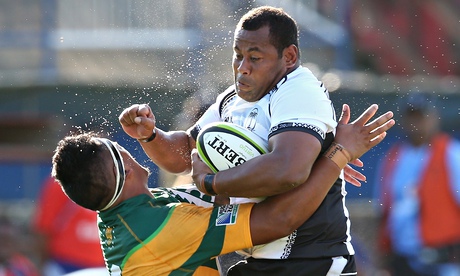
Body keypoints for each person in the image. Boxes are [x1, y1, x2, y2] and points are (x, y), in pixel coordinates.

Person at [120, 6, 371, 275]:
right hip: (261, 257)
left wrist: (210, 183)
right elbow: (184, 152)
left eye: (255, 57)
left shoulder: (299, 90)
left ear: (289, 56)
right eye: (238, 56)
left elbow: (289, 170)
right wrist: (150, 135)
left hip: (309, 260)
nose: (242, 68)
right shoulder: (233, 99)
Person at [52, 104, 393, 275]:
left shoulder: (134, 213)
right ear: (125, 165)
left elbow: (229, 193)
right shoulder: (161, 230)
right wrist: (337, 155)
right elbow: (281, 219)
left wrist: (305, 158)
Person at [374, 92, 460, 276]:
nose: (417, 123)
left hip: (444, 259)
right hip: (401, 257)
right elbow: (383, 210)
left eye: (421, 116)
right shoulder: (392, 158)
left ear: (435, 118)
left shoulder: (452, 153)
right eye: (411, 116)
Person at [32, 177, 105, 275]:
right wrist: (42, 265)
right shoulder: (60, 183)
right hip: (64, 265)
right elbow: (44, 230)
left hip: (103, 266)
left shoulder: (114, 182)